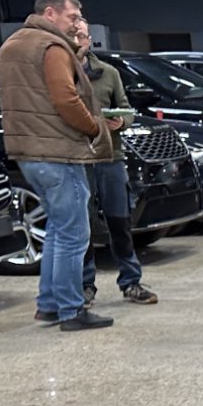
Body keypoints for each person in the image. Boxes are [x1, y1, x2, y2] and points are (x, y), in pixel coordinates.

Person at [0, 0, 113, 330]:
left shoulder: (12, 45)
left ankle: (49, 304)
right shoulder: (51, 46)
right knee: (74, 234)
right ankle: (71, 309)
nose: (77, 23)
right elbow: (66, 99)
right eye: (72, 16)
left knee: (58, 231)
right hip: (59, 152)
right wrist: (94, 128)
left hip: (28, 153)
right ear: (50, 13)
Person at [73, 19, 156, 306]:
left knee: (119, 220)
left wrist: (121, 121)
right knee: (82, 224)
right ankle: (85, 285)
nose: (78, 40)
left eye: (82, 35)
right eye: (73, 35)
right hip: (78, 159)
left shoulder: (108, 73)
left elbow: (127, 109)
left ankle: (131, 281)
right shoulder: (61, 75)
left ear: (89, 40)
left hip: (110, 156)